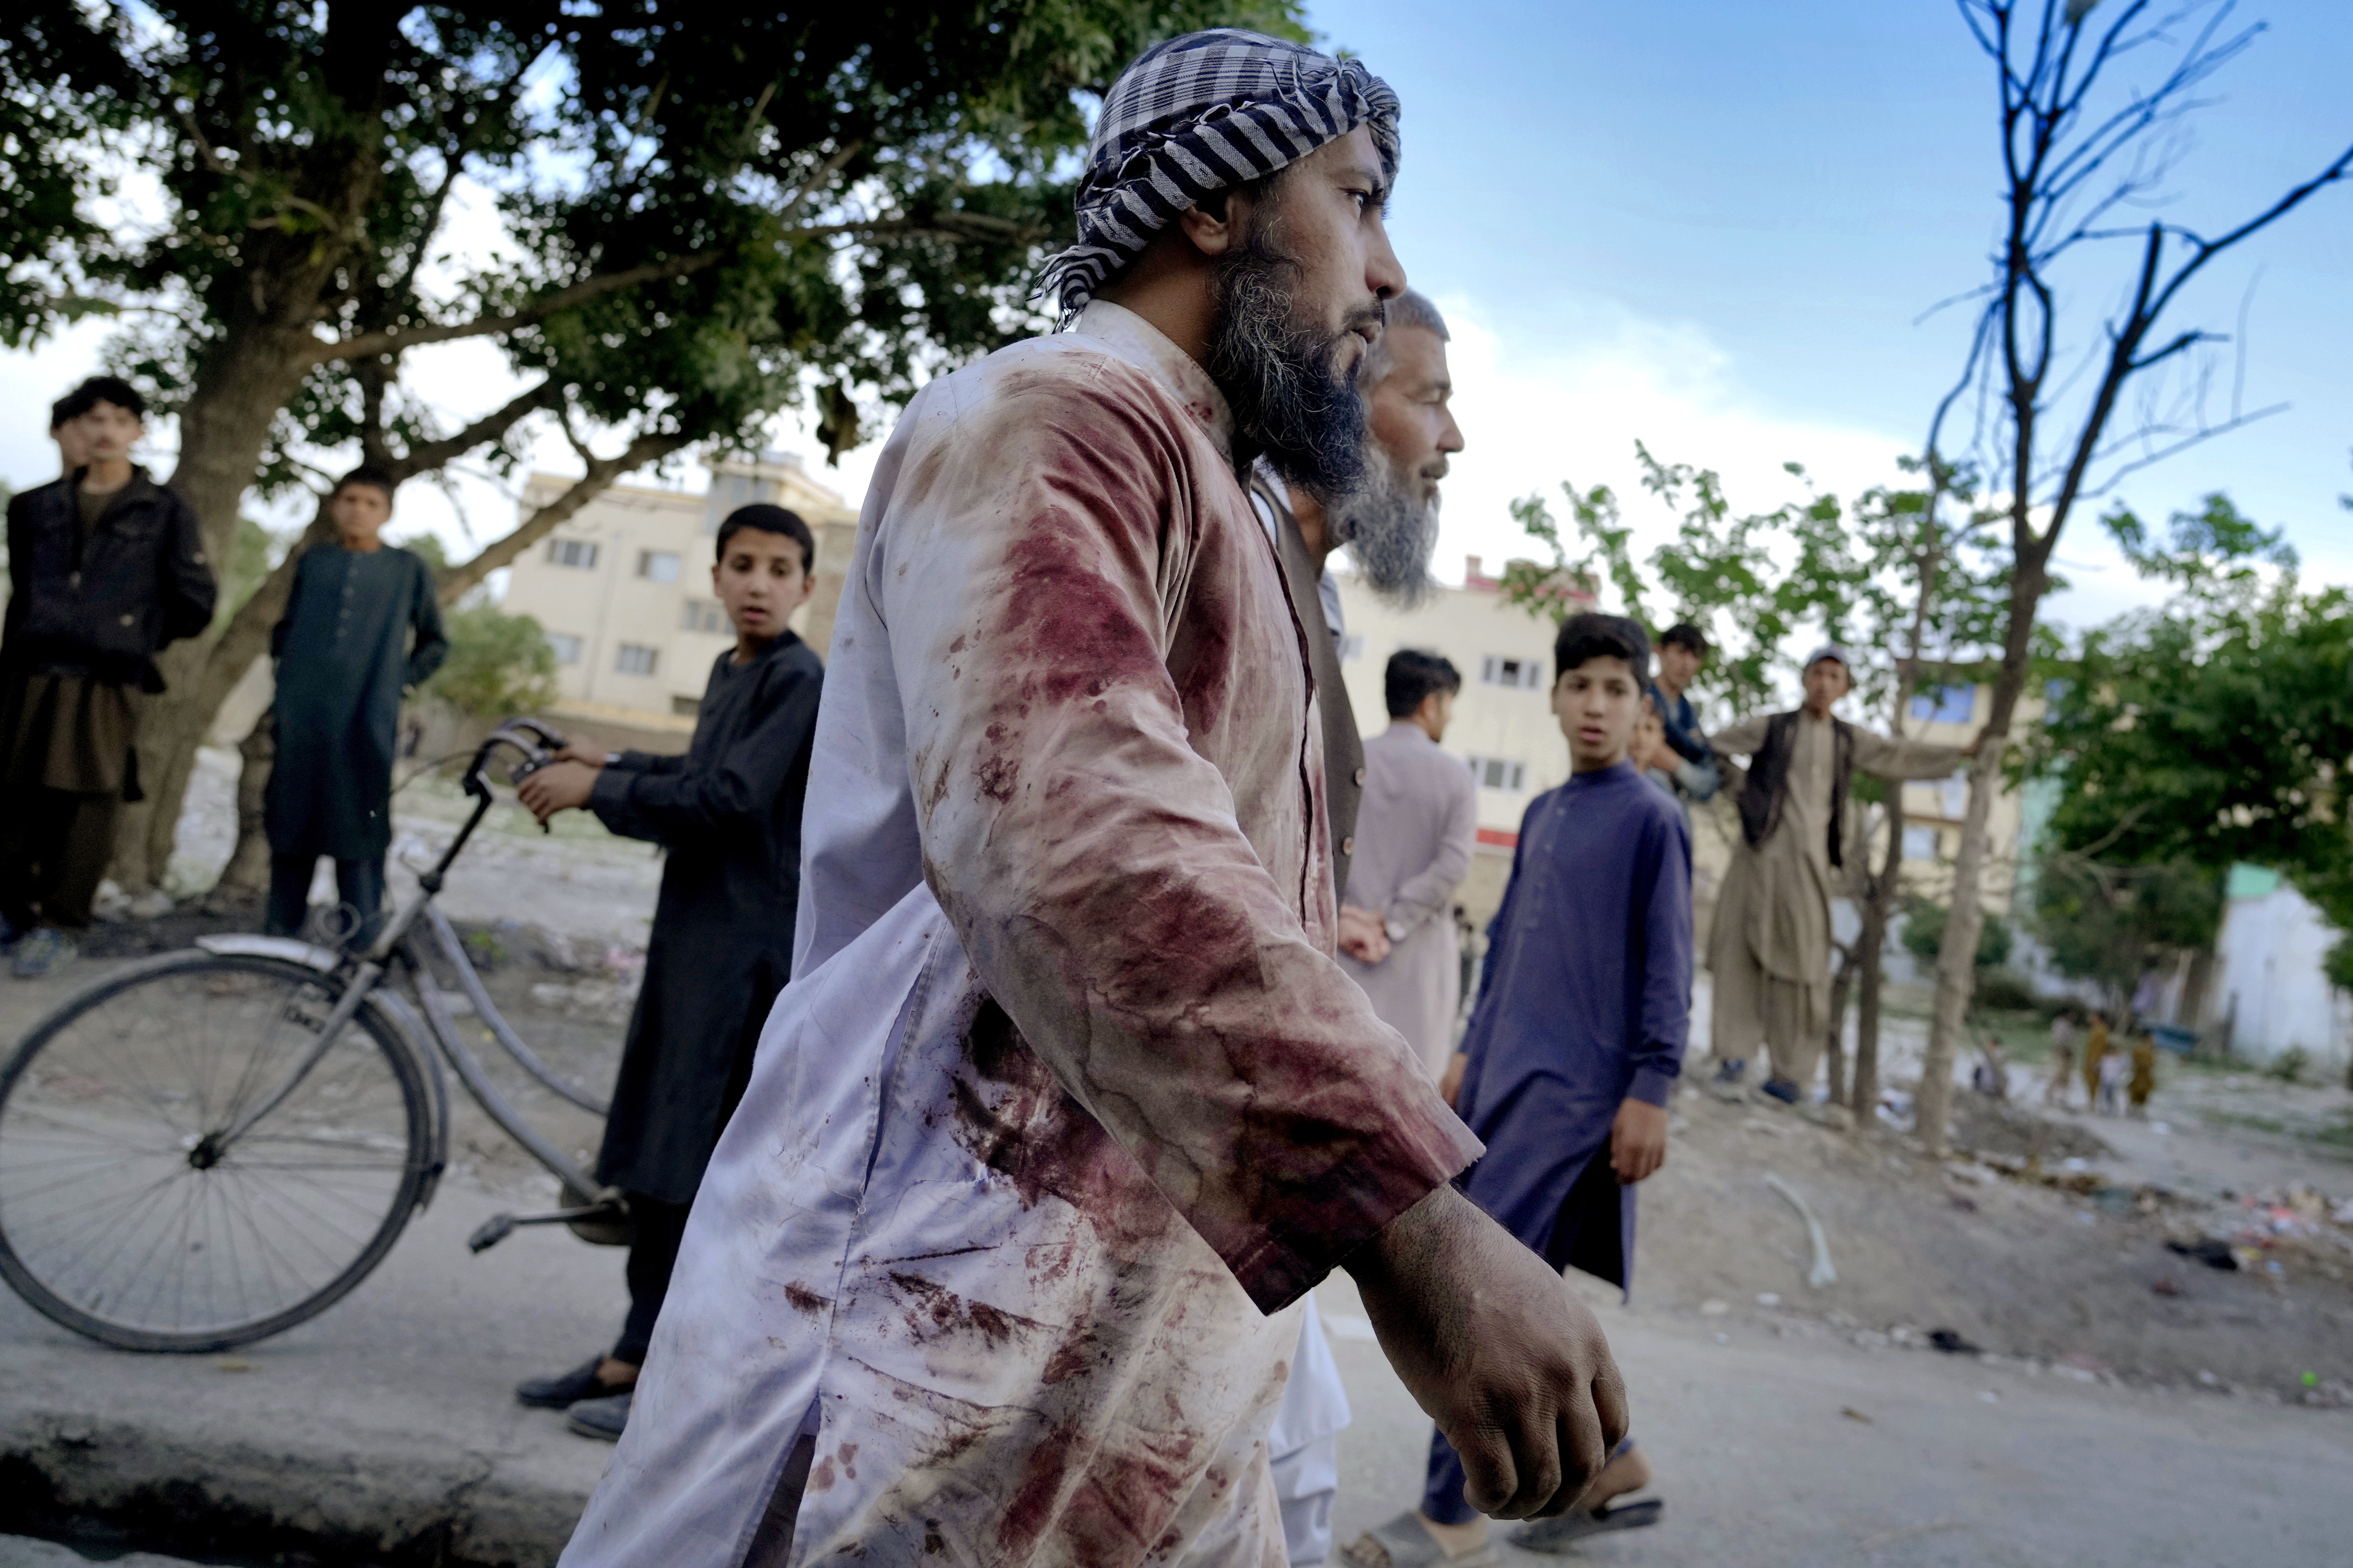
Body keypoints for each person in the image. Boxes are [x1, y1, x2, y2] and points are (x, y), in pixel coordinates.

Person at [557, 32, 1626, 1568]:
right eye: (1361, 198)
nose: (1387, 271)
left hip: (1120, 1367)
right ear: (1215, 207)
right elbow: (1079, 843)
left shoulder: (1217, 493)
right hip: (924, 1351)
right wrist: (1418, 1230)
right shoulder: (1060, 420)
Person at [1350, 612, 1687, 1567]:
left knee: (1470, 1289)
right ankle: (1611, 1460)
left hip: (1579, 1098)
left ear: (1640, 705)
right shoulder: (1542, 811)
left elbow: (1668, 967)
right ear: (1552, 696)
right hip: (1500, 1082)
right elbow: (1505, 950)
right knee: (1511, 1283)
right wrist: (1466, 1051)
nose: (1594, 705)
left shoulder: (1653, 819)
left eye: (1616, 689)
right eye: (1578, 684)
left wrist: (1651, 1088)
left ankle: (1453, 1513)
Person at [511, 505, 825, 1441]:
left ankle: (675, 1382)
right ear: (718, 578)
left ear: (807, 585)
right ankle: (630, 1352)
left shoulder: (799, 679)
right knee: (660, 1160)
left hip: (743, 956)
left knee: (697, 1171)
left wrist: (599, 791)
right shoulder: (732, 670)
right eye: (743, 565)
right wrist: (611, 759)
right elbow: (699, 764)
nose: (759, 583)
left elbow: (729, 799)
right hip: (693, 944)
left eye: (779, 567)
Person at [1256, 287, 1465, 1567]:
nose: (1453, 444)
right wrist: (1409, 1228)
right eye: (1431, 400)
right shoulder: (1216, 549)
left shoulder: (1313, 603)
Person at [1250, 286, 1464, 899]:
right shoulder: (1231, 535)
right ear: (1344, 394)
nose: (1452, 439)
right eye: (1431, 400)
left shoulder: (1326, 602)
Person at [0, 376, 216, 978]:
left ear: (139, 432)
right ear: (79, 428)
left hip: (105, 678)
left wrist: (130, 634)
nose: (105, 431)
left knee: (87, 804)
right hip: (31, 669)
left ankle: (62, 923)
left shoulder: (164, 511)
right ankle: (12, 909)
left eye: (120, 420)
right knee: (15, 796)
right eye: (95, 419)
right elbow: (26, 590)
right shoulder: (35, 506)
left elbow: (195, 601)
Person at [1706, 647, 1975, 1107]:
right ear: (1804, 678)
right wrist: (1741, 791)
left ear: (1845, 687)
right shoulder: (1772, 728)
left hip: (1810, 869)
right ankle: (1734, 1058)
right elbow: (1712, 748)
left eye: (1835, 676)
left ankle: (1790, 1074)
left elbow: (1896, 756)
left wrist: (1959, 755)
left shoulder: (1848, 739)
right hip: (1758, 858)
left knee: (1806, 967)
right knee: (1738, 954)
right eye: (1817, 673)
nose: (1824, 683)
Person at [261, 467, 447, 946]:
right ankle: (278, 939)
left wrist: (396, 683)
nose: (358, 511)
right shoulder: (314, 562)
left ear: (386, 513)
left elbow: (434, 643)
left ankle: (361, 946)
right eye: (349, 500)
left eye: (370, 503)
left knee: (358, 829)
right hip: (303, 721)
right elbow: (284, 630)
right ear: (334, 506)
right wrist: (289, 686)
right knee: (292, 821)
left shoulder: (407, 569)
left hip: (365, 725)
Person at [1338, 650, 1478, 1081]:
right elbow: (1453, 864)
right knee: (1408, 1097)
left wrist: (1348, 916)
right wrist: (1392, 918)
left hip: (1341, 952)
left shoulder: (1349, 760)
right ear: (1431, 704)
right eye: (1449, 705)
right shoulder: (1456, 775)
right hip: (1418, 960)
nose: (1450, 718)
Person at [1648, 623, 1719, 803]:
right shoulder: (1637, 696)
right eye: (1680, 652)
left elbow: (1709, 782)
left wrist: (1674, 764)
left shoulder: (1689, 716)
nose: (1687, 664)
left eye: (1695, 656)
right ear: (1660, 651)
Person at [2046, 1011, 2079, 1108]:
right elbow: (2059, 1039)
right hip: (2062, 1051)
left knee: (2067, 1076)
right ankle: (2050, 1092)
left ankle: (2062, 1097)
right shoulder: (2060, 1024)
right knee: (2059, 1073)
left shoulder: (2069, 1026)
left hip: (2069, 1053)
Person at [2082, 1011, 2110, 1109]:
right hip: (2090, 1059)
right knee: (2090, 1080)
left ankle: (2093, 1103)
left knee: (2094, 1081)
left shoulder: (2102, 1030)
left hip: (2095, 1061)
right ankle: (2092, 1102)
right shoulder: (2095, 1029)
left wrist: (2096, 1061)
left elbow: (2100, 1048)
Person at [2127, 1030, 2157, 1118]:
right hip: (2140, 1074)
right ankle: (2134, 1110)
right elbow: (2135, 1061)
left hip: (2146, 1076)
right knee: (2136, 1092)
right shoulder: (2141, 1049)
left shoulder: (2150, 1049)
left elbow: (2153, 1063)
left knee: (2143, 1093)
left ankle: (2139, 1111)